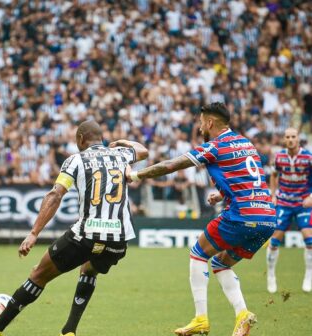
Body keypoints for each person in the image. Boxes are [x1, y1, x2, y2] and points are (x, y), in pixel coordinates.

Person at [0, 120, 148, 336]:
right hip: (119, 239)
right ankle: (69, 330)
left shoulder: (75, 160)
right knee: (89, 268)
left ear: (80, 139)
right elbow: (143, 151)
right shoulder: (121, 154)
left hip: (87, 233)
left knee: (39, 274)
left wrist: (34, 233)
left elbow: (55, 195)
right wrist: (122, 142)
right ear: (102, 139)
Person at [128, 102, 276, 336]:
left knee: (198, 253)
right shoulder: (246, 143)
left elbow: (171, 165)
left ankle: (200, 319)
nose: (198, 127)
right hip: (267, 218)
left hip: (241, 216)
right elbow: (250, 178)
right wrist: (222, 193)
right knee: (220, 263)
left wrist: (135, 174)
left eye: (200, 122)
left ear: (209, 123)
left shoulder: (214, 146)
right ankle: (242, 315)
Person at [266, 128, 312, 293]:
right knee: (275, 239)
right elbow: (273, 175)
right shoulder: (279, 157)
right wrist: (273, 195)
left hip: (303, 203)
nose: (291, 139)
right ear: (284, 140)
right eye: (288, 137)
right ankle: (271, 275)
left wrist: (311, 196)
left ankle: (309, 274)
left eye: (293, 136)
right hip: (284, 202)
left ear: (298, 138)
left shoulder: (308, 157)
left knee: (309, 239)